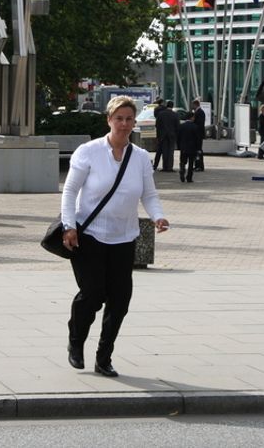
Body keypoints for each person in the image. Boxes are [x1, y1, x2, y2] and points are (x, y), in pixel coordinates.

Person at [60, 96, 169, 377]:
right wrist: (68, 225)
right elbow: (70, 191)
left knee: (120, 300)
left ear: (135, 123)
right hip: (90, 235)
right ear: (109, 120)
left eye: (129, 119)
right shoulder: (89, 152)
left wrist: (157, 216)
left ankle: (104, 356)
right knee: (93, 294)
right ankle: (76, 340)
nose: (123, 124)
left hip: (124, 237)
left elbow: (149, 193)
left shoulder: (141, 157)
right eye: (118, 118)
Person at [154, 99, 179, 171]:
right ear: (172, 106)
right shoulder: (175, 114)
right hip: (172, 135)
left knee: (164, 151)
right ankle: (170, 167)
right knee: (171, 151)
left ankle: (165, 167)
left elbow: (157, 125)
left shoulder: (161, 114)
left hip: (163, 135)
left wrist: (158, 135)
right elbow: (177, 126)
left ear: (166, 105)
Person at [177, 110, 201, 183]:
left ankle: (182, 169)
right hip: (192, 148)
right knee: (191, 163)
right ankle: (189, 177)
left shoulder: (181, 126)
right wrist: (198, 148)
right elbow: (198, 139)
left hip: (183, 147)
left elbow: (178, 137)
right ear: (191, 117)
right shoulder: (195, 127)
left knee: (183, 161)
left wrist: (179, 146)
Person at [191, 99, 206, 171]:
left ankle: (199, 166)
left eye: (192, 105)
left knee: (198, 150)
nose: (192, 106)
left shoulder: (200, 112)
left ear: (195, 104)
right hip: (197, 135)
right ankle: (197, 165)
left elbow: (199, 124)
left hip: (198, 135)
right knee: (196, 150)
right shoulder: (198, 112)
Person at [150, 98, 166, 169]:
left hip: (159, 132)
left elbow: (155, 117)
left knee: (159, 150)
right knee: (166, 150)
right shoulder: (165, 109)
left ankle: (155, 165)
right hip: (166, 131)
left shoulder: (156, 109)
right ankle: (165, 165)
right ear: (162, 102)